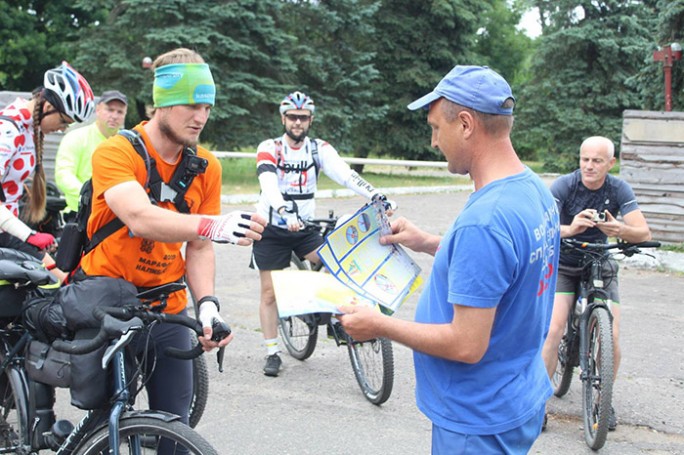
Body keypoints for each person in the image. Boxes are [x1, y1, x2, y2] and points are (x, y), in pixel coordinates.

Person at [337, 65, 560, 454]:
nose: (433, 142)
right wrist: (428, 242)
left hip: (478, 418)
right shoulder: (533, 190)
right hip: (517, 392)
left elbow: (465, 344)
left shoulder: (485, 221)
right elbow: (507, 268)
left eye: (437, 128)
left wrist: (381, 325)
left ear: (467, 124)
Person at [77, 48, 266, 431]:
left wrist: (208, 306)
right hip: (105, 303)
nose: (201, 117)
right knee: (107, 422)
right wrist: (213, 224)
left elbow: (199, 248)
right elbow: (138, 217)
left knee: (175, 427)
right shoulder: (115, 151)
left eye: (208, 107)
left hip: (166, 303)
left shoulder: (206, 166)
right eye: (191, 105)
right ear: (162, 102)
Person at [251, 91, 392, 377]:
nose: (298, 122)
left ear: (310, 120)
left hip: (303, 227)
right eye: (292, 117)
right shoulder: (270, 147)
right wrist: (283, 210)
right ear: (283, 118)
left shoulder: (318, 149)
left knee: (337, 264)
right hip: (272, 228)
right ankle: (272, 351)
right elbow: (268, 184)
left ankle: (331, 314)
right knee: (269, 293)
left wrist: (376, 194)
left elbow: (345, 174)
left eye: (303, 118)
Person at [541, 135, 652, 430]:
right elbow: (542, 227)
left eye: (597, 161)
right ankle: (536, 404)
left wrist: (620, 228)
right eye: (584, 159)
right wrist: (571, 228)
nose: (589, 166)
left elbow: (643, 232)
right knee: (552, 329)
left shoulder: (618, 188)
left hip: (600, 261)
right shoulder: (564, 185)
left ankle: (603, 402)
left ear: (610, 163)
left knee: (612, 335)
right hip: (564, 262)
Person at [0, 62, 95, 282]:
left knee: (60, 279)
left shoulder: (29, 129)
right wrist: (29, 235)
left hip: (7, 228)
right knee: (54, 281)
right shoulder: (7, 130)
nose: (62, 129)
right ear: (46, 106)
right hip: (7, 230)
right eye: (63, 121)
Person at [55, 90, 128, 220]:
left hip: (116, 217)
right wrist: (90, 196)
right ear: (98, 110)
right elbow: (63, 175)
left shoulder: (128, 143)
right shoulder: (76, 137)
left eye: (120, 112)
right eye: (110, 110)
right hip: (79, 215)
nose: (114, 116)